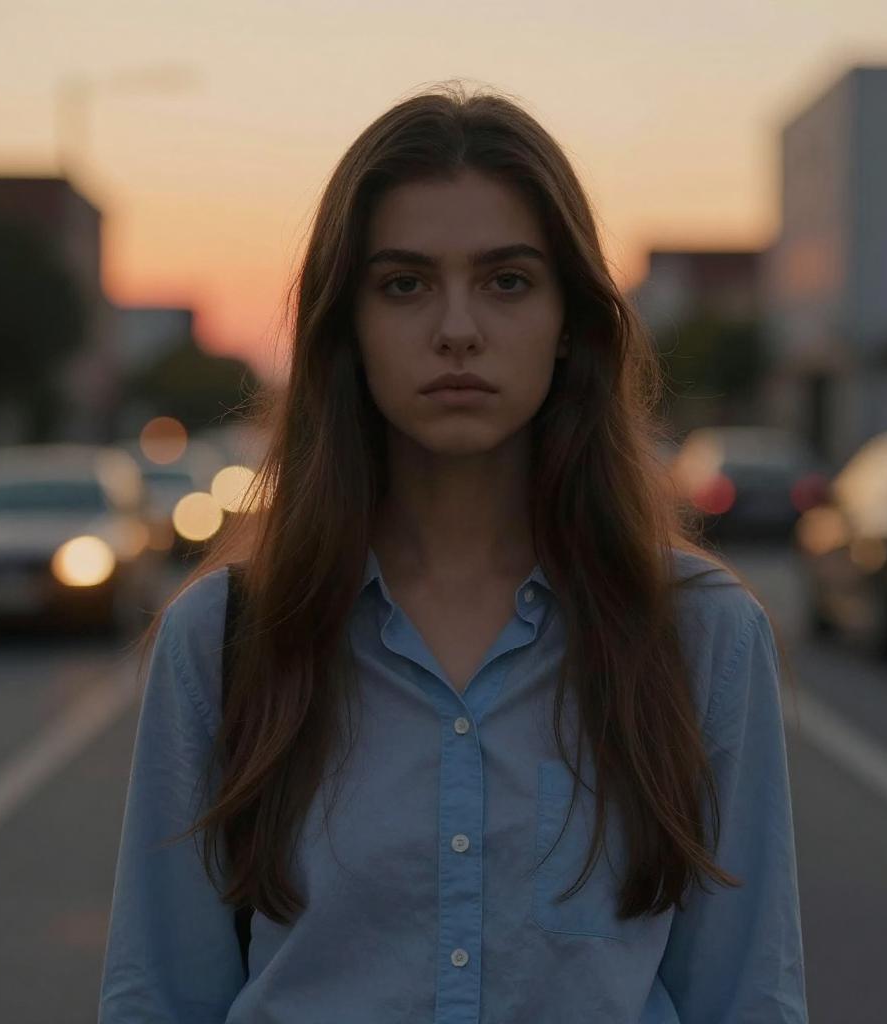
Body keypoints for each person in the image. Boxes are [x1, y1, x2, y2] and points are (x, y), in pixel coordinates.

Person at [98, 82, 808, 1023]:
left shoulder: (702, 636)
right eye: (405, 284)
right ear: (346, 326)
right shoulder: (227, 639)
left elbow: (747, 998)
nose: (458, 328)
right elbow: (160, 997)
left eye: (507, 280)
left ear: (570, 324)